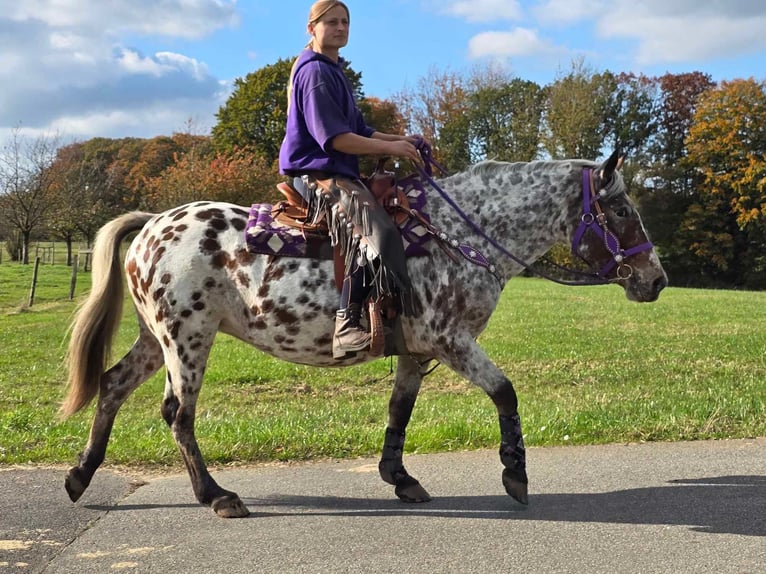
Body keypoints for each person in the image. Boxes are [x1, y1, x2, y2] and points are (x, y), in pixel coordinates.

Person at [279, 0, 422, 359]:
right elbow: (335, 139)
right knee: (378, 231)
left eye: (345, 22)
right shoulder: (314, 73)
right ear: (312, 28)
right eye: (332, 22)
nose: (341, 28)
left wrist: (402, 141)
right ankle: (346, 324)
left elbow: (360, 129)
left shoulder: (334, 69)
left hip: (335, 171)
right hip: (315, 173)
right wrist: (395, 148)